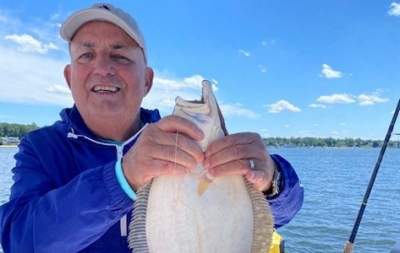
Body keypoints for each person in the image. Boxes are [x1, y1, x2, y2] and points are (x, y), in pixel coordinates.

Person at [0, 3, 304, 253]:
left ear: (147, 80)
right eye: (86, 55)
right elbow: (21, 242)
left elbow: (284, 213)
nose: (103, 67)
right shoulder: (40, 148)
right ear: (69, 78)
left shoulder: (184, 138)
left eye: (120, 55)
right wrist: (122, 178)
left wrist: (270, 181)